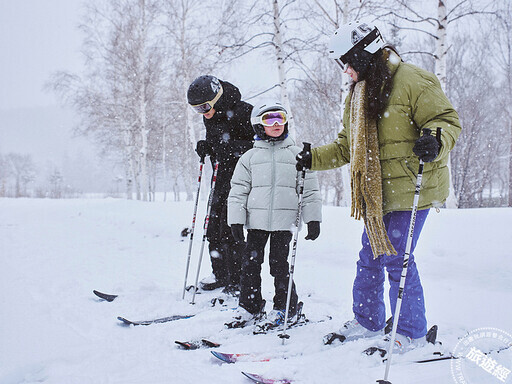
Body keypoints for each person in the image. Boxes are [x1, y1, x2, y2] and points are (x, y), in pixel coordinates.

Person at [295, 21, 461, 353]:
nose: (345, 71)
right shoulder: (357, 95)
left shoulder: (414, 80)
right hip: (377, 194)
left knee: (397, 257)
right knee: (370, 256)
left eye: (347, 61)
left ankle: (411, 330)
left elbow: (446, 121)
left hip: (415, 185)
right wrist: (312, 158)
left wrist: (434, 139)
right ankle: (368, 320)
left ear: (365, 53)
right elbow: (346, 147)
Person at [225, 101, 322, 329]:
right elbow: (238, 190)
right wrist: (236, 220)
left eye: (280, 118)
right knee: (250, 264)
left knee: (278, 265)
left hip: (284, 223)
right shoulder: (249, 158)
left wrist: (313, 218)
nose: (277, 123)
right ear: (259, 124)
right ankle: (250, 306)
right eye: (270, 119)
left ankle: (286, 308)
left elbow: (310, 190)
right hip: (255, 222)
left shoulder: (298, 155)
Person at [187, 75, 254, 293]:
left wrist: (233, 148)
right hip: (221, 176)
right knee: (212, 227)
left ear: (217, 97)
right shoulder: (210, 116)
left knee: (230, 229)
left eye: (205, 106)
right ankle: (220, 275)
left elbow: (260, 146)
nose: (203, 112)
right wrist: (207, 146)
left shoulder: (245, 111)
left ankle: (237, 281)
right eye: (197, 109)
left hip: (242, 180)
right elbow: (216, 144)